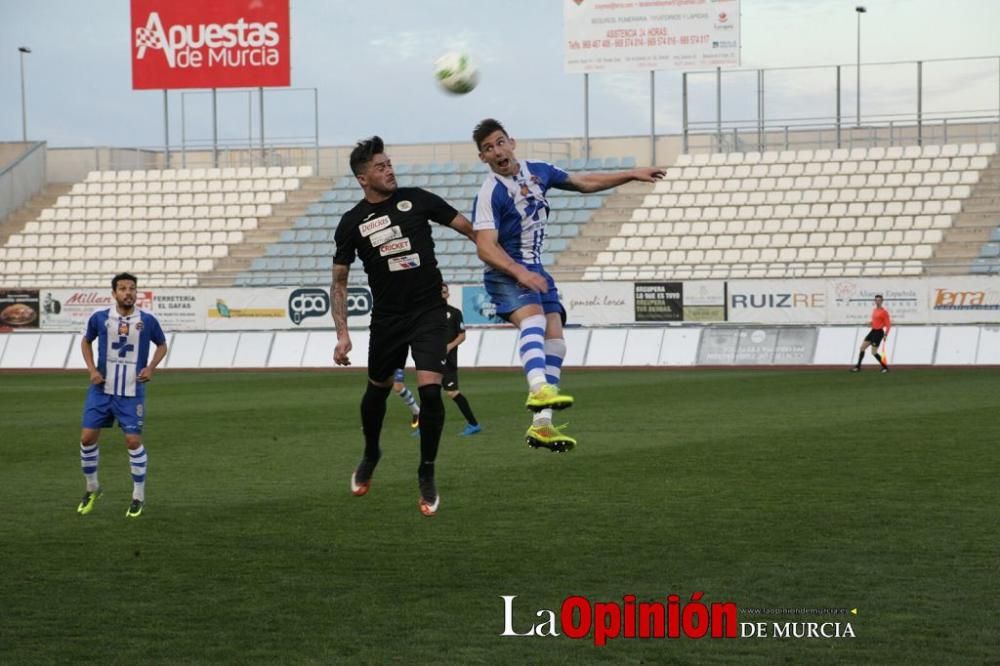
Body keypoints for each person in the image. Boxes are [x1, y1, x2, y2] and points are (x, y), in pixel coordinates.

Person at [470, 118, 664, 452]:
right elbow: (485, 246)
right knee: (532, 320)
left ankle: (542, 425)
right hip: (506, 270)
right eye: (488, 148)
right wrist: (518, 271)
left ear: (512, 143)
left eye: (500, 142)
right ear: (483, 158)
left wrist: (631, 174)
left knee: (556, 344)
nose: (497, 151)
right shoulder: (490, 192)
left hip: (536, 269)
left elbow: (583, 181)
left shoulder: (539, 171)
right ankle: (537, 388)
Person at [332, 136, 476, 517]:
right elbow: (340, 281)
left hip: (429, 313)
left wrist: (504, 260)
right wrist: (342, 333)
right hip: (388, 319)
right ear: (363, 178)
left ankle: (426, 471)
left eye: (390, 163)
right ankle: (371, 452)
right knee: (376, 391)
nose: (389, 170)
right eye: (380, 167)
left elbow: (470, 229)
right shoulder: (351, 223)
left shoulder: (417, 199)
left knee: (430, 394)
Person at [76, 272, 167, 519]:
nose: (128, 292)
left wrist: (150, 368)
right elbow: (85, 342)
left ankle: (138, 496)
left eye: (132, 288)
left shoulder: (147, 321)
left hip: (131, 390)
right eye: (123, 288)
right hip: (101, 389)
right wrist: (92, 369)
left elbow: (162, 344)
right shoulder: (100, 318)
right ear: (114, 293)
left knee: (133, 442)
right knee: (86, 438)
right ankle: (92, 487)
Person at [441, 283, 481, 436]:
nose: (443, 294)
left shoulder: (455, 313)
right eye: (440, 292)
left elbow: (462, 335)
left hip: (448, 360)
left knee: (452, 392)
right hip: (431, 359)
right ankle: (424, 427)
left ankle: (473, 424)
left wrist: (449, 346)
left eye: (445, 292)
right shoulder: (428, 314)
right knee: (428, 390)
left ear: (448, 295)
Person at [853, 294, 891, 373]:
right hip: (872, 331)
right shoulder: (874, 310)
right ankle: (858, 367)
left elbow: (888, 324)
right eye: (876, 300)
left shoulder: (884, 312)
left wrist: (886, 334)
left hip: (879, 333)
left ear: (882, 301)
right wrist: (870, 323)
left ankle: (885, 367)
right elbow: (875, 321)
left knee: (873, 352)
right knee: (862, 348)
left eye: (879, 300)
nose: (877, 301)